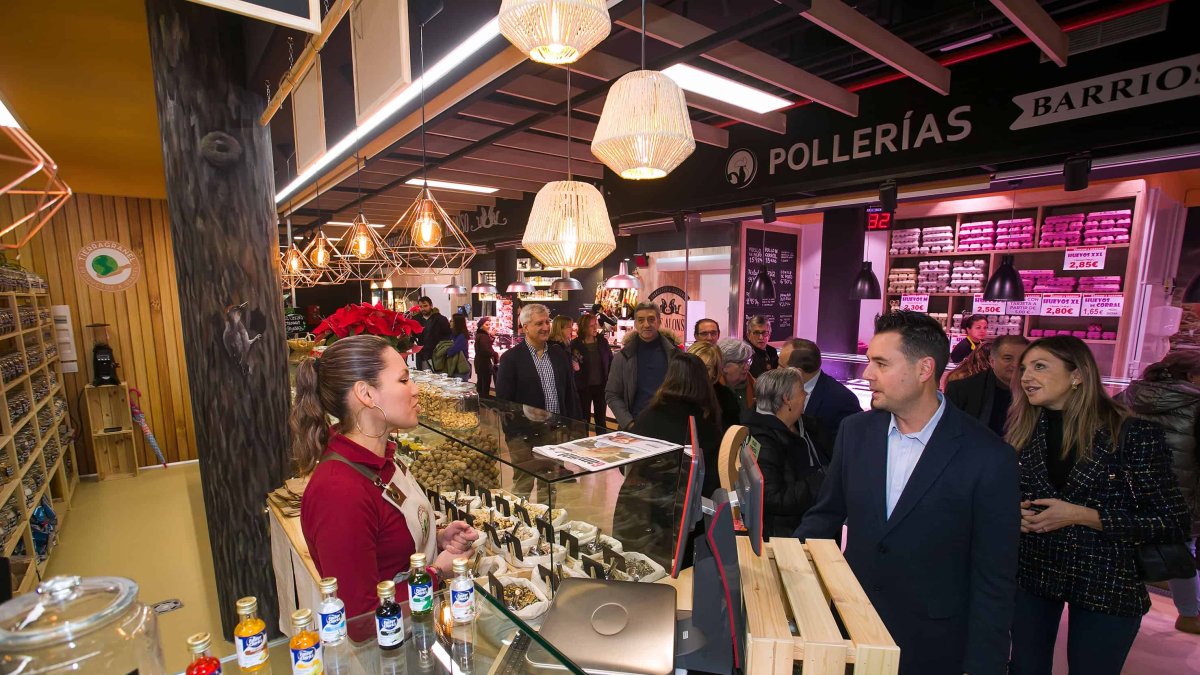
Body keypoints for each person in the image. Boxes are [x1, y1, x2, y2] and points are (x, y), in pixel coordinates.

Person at [795, 311, 1019, 675]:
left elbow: (994, 578)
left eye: (881, 363)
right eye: (870, 362)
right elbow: (825, 516)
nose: (867, 374)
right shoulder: (856, 432)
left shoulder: (989, 457)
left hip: (931, 644)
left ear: (924, 369)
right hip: (852, 627)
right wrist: (780, 569)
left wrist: (985, 665)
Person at [1008, 337, 1190, 675]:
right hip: (1034, 572)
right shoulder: (1024, 431)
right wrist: (1012, 514)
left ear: (1077, 375)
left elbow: (1172, 521)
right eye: (1023, 369)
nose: (1025, 376)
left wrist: (1083, 516)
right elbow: (1012, 495)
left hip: (1108, 579)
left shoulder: (1131, 434)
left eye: (1039, 366)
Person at [292, 335, 478, 623]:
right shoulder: (338, 492)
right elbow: (362, 619)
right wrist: (437, 573)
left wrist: (437, 539)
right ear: (366, 394)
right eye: (404, 380)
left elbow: (386, 546)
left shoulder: (384, 458)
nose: (416, 391)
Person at [1119, 351, 1200, 634]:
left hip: (1130, 488)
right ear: (1191, 377)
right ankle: (1190, 613)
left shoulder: (1131, 395)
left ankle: (1124, 605)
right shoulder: (1196, 404)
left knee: (1130, 544)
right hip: (1181, 492)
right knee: (1181, 548)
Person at [743, 368, 832, 537]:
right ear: (787, 399)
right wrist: (822, 478)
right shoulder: (763, 440)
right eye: (801, 391)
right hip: (787, 535)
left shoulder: (807, 426)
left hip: (809, 525)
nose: (805, 395)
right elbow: (772, 498)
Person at [496, 304, 581, 418]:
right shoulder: (510, 359)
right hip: (529, 430)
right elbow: (504, 402)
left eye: (547, 322)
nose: (546, 328)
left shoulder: (559, 354)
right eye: (539, 323)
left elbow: (570, 394)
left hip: (560, 429)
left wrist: (574, 426)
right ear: (525, 327)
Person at [606, 302, 677, 429]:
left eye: (651, 319)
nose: (646, 325)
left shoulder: (674, 354)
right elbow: (612, 394)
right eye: (641, 320)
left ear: (659, 322)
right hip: (635, 426)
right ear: (635, 324)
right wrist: (629, 424)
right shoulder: (623, 357)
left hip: (669, 426)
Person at [945, 335, 1028, 437]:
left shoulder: (1036, 392)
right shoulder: (962, 390)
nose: (1016, 364)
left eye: (1022, 359)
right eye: (1008, 358)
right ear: (992, 361)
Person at [778, 338, 862, 436]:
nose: (776, 369)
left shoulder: (842, 400)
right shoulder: (779, 386)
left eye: (781, 366)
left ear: (798, 372)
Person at [571, 312, 613, 429]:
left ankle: (602, 444)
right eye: (591, 325)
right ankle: (584, 443)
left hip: (601, 386)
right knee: (584, 419)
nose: (595, 328)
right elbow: (573, 367)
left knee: (601, 420)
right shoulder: (575, 344)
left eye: (596, 324)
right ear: (584, 327)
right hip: (583, 387)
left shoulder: (602, 342)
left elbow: (610, 361)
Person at [688, 340, 740, 434]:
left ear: (715, 372)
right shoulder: (676, 394)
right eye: (696, 366)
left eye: (707, 368)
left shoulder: (726, 399)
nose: (700, 372)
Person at [414, 296, 451, 371]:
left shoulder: (441, 319)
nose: (423, 308)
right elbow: (413, 335)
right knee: (423, 377)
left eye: (425, 306)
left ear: (431, 305)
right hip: (422, 354)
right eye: (421, 306)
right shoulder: (416, 319)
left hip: (437, 353)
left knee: (437, 376)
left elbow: (447, 336)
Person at [717, 338, 755, 410]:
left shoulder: (757, 388)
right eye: (740, 363)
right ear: (723, 365)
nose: (747, 367)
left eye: (748, 361)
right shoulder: (712, 392)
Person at [440, 314, 471, 381]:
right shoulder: (453, 334)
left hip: (460, 367)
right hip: (454, 367)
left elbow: (451, 351)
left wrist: (445, 349)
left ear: (457, 323)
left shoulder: (461, 337)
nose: (450, 322)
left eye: (452, 321)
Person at [474, 316, 498, 398]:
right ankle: (484, 402)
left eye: (489, 324)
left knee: (480, 383)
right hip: (484, 364)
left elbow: (486, 346)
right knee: (485, 384)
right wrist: (495, 353)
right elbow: (486, 350)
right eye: (486, 325)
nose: (489, 326)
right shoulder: (483, 336)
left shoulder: (480, 335)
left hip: (479, 363)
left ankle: (479, 400)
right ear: (481, 326)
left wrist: (491, 336)